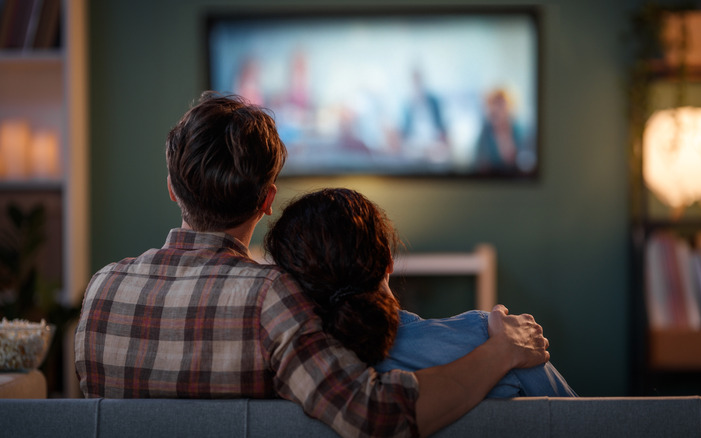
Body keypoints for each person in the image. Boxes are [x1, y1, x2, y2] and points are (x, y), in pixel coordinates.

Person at [74, 92, 551, 438]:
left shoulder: (101, 292)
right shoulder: (270, 298)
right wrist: (499, 351)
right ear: (267, 201)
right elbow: (372, 416)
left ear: (173, 189)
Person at [265, 188, 576, 398]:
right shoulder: (498, 339)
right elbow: (584, 422)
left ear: (290, 283)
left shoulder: (279, 373)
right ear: (387, 258)